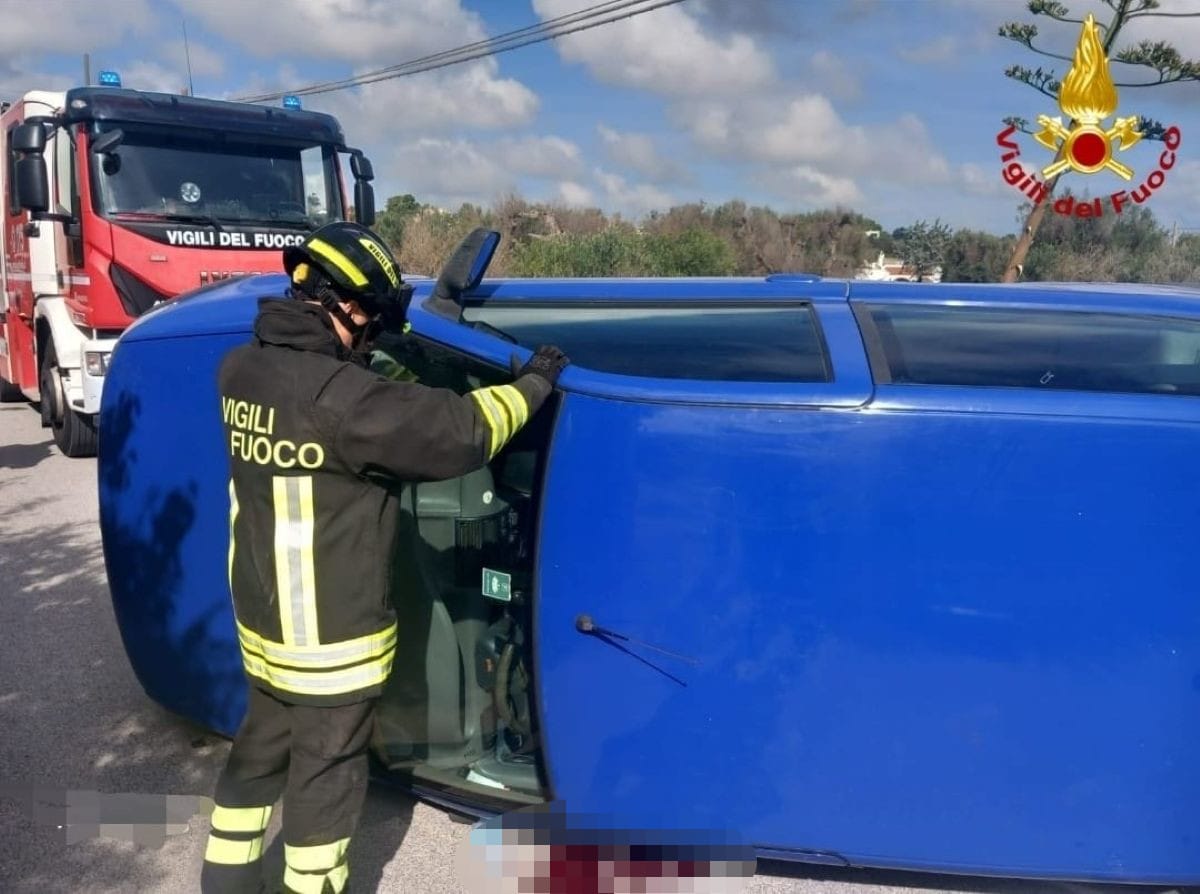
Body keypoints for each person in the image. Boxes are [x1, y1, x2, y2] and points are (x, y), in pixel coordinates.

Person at [201, 220, 568, 894]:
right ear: (347, 305)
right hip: (332, 644)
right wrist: (534, 387)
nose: (374, 329)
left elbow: (323, 403)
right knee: (326, 780)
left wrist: (378, 359)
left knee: (258, 754)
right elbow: (460, 431)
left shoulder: (241, 371)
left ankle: (225, 879)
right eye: (373, 314)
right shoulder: (347, 404)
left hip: (264, 626)